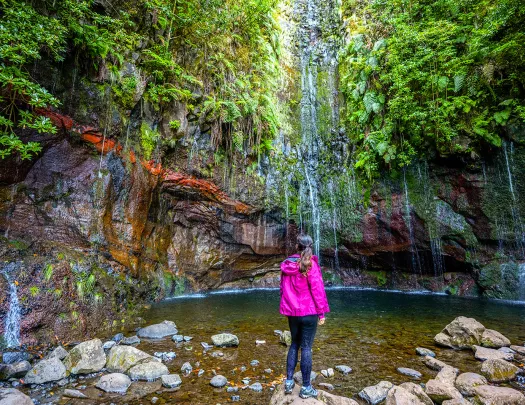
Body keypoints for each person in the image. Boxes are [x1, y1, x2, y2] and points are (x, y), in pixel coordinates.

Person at [279, 234, 330, 399]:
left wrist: (287, 309)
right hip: (309, 312)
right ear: (310, 247)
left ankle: (288, 382)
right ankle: (306, 387)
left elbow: (282, 289)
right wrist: (321, 312)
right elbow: (318, 290)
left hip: (293, 313)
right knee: (306, 347)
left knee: (294, 344)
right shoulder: (311, 264)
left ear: (297, 246)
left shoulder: (287, 264)